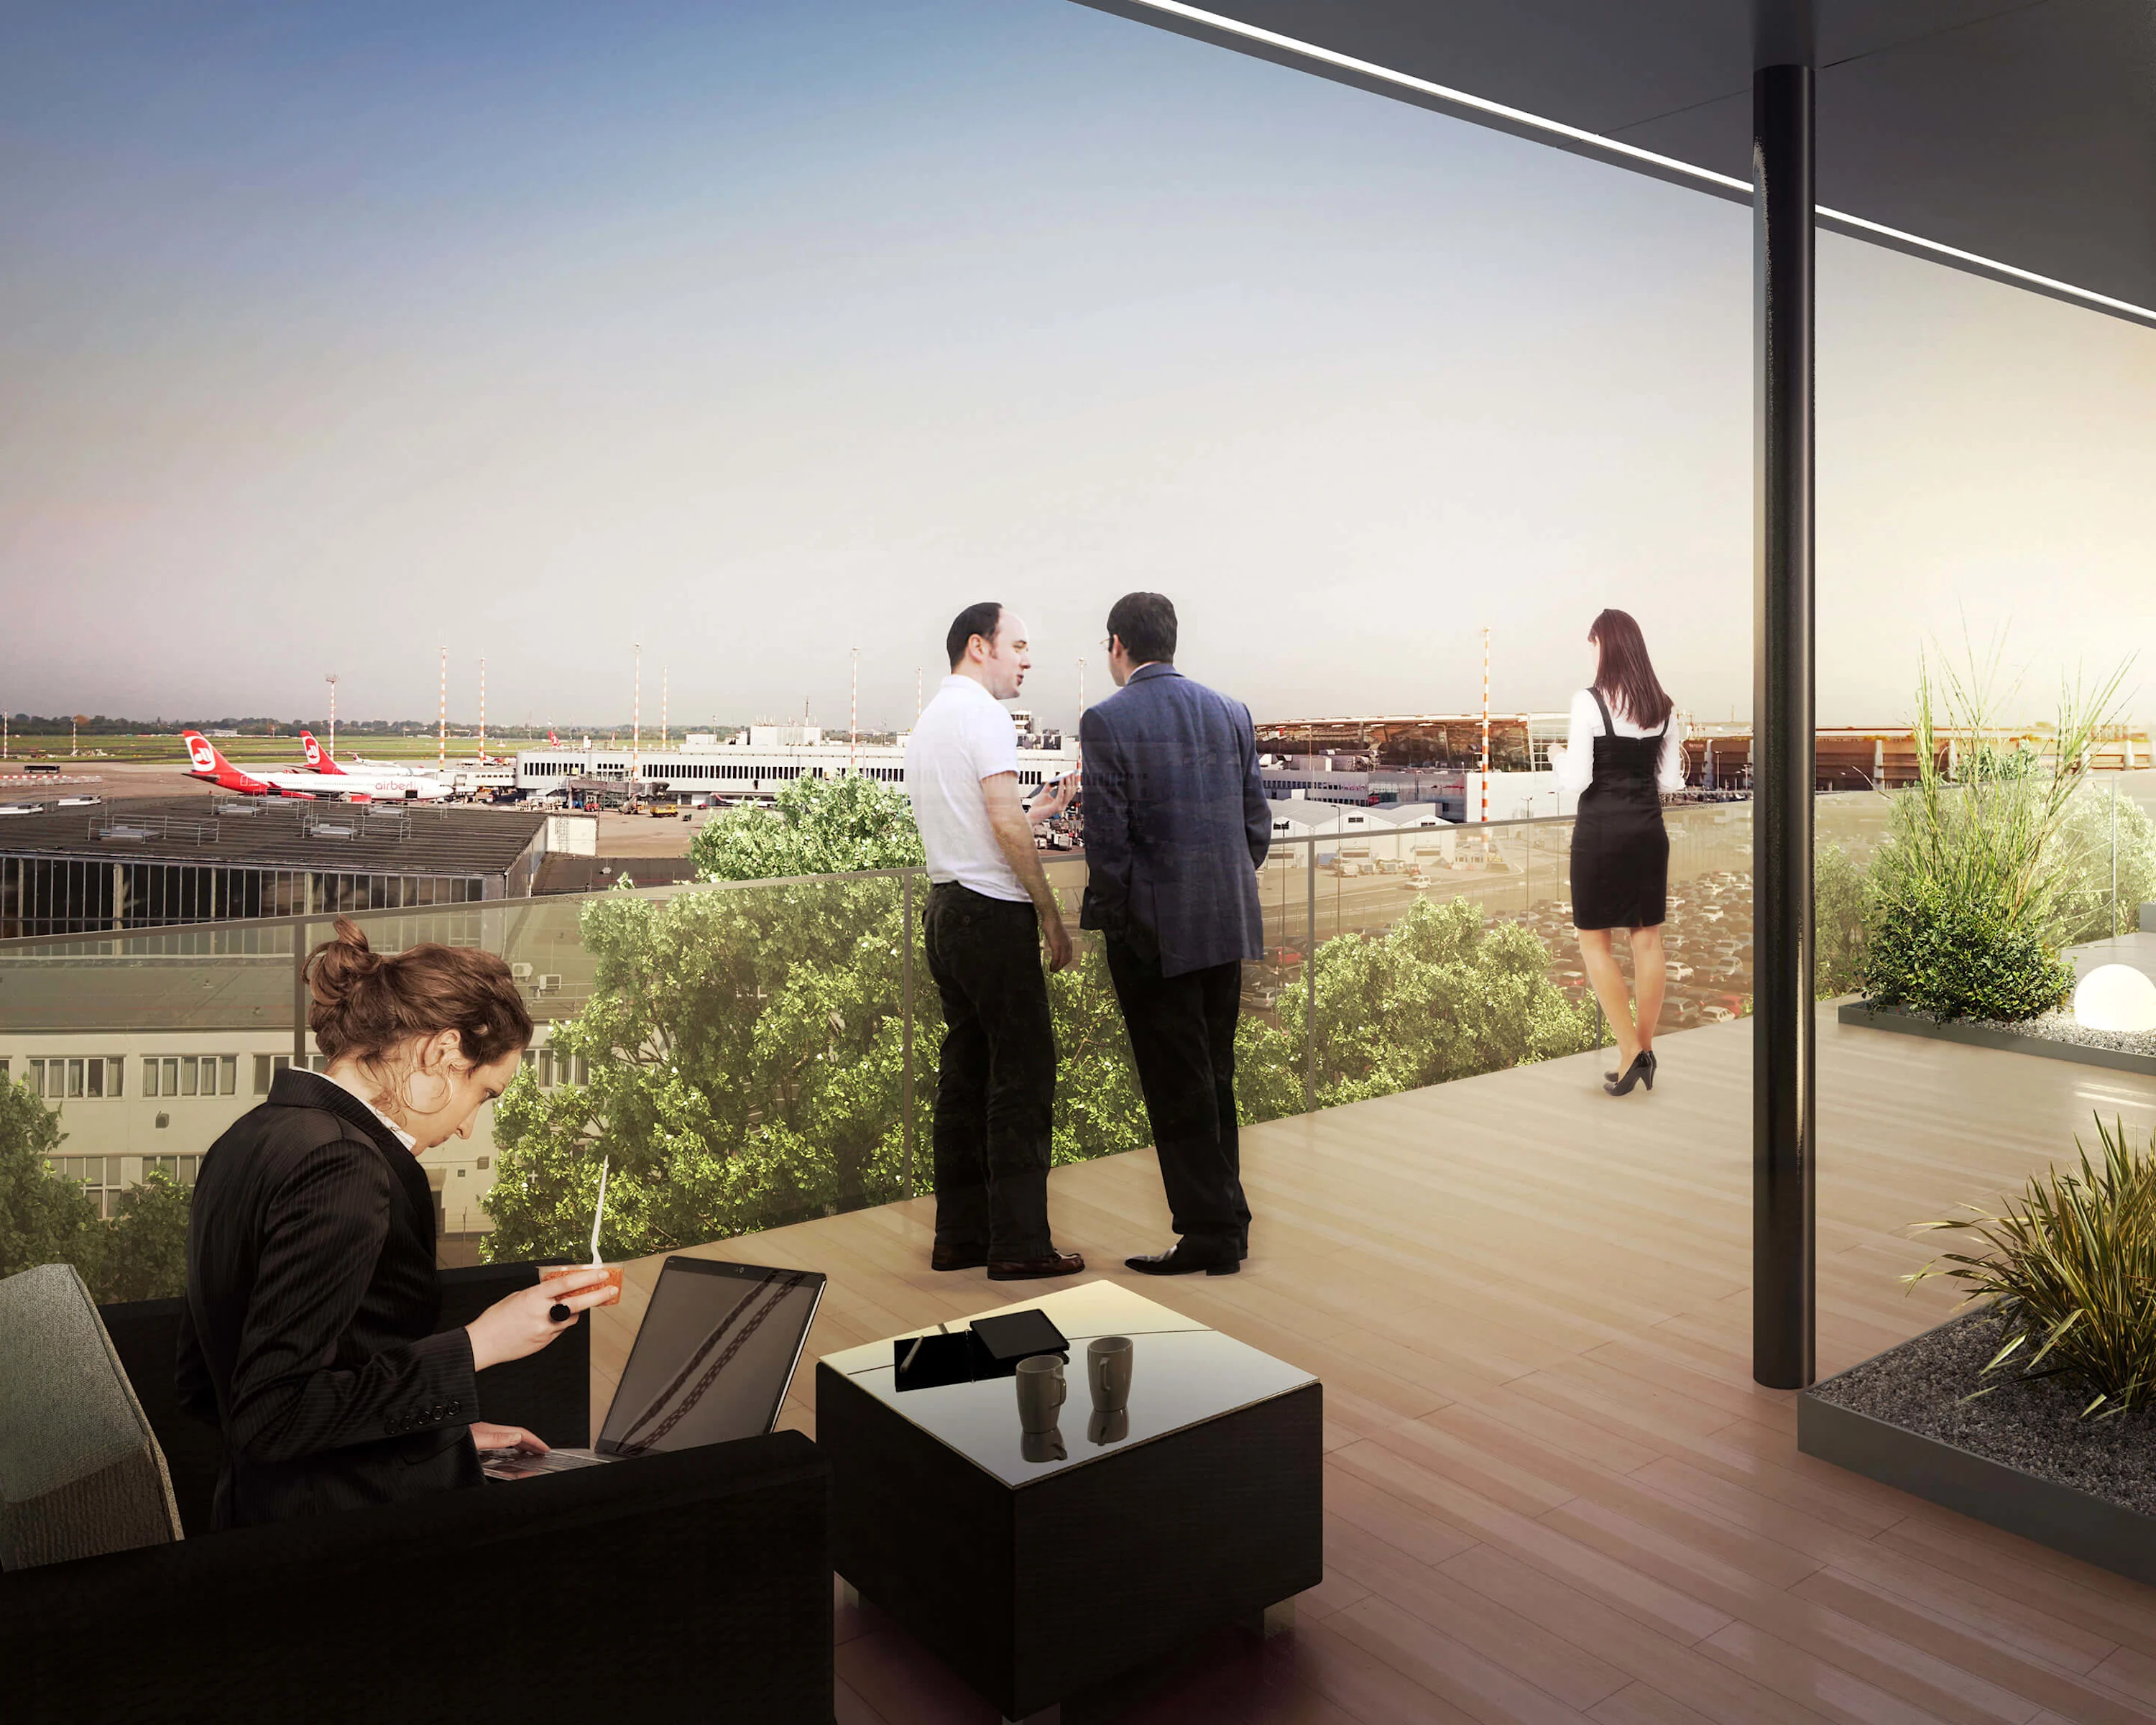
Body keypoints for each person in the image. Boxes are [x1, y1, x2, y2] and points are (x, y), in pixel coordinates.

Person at [177, 919, 615, 1527]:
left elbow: (206, 1383)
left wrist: (425, 1432)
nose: (466, 1128)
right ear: (442, 1051)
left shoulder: (249, 1137)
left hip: (265, 1513)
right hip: (349, 1541)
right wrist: (481, 1343)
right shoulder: (345, 1167)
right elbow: (272, 1415)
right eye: (485, 1094)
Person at [1079, 592, 1268, 1276]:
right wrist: (1217, 887)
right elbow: (1256, 828)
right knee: (1214, 1075)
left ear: (1118, 645)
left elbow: (1107, 840)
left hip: (1155, 937)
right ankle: (1230, 1224)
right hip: (1225, 924)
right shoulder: (1230, 712)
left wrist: (1124, 921)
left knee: (1175, 1084)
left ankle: (1211, 1233)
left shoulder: (1107, 719)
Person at [904, 602, 1084, 1281]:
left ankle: (959, 1238)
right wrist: (1049, 913)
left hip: (946, 909)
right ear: (980, 647)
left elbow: (980, 820)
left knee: (966, 1075)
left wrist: (1037, 813)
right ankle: (1018, 1246)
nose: (1027, 659)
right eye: (1019, 645)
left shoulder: (930, 722)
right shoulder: (985, 714)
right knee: (1022, 1078)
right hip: (991, 915)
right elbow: (1002, 822)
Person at [1549, 608, 1688, 1097]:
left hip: (1602, 833)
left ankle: (1630, 1050)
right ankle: (1642, 1051)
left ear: (1604, 646)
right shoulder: (1665, 707)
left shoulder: (1588, 702)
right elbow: (1671, 781)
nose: (1591, 653)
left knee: (1594, 941)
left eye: (1593, 644)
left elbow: (1579, 780)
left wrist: (1556, 758)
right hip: (1648, 830)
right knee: (1647, 940)